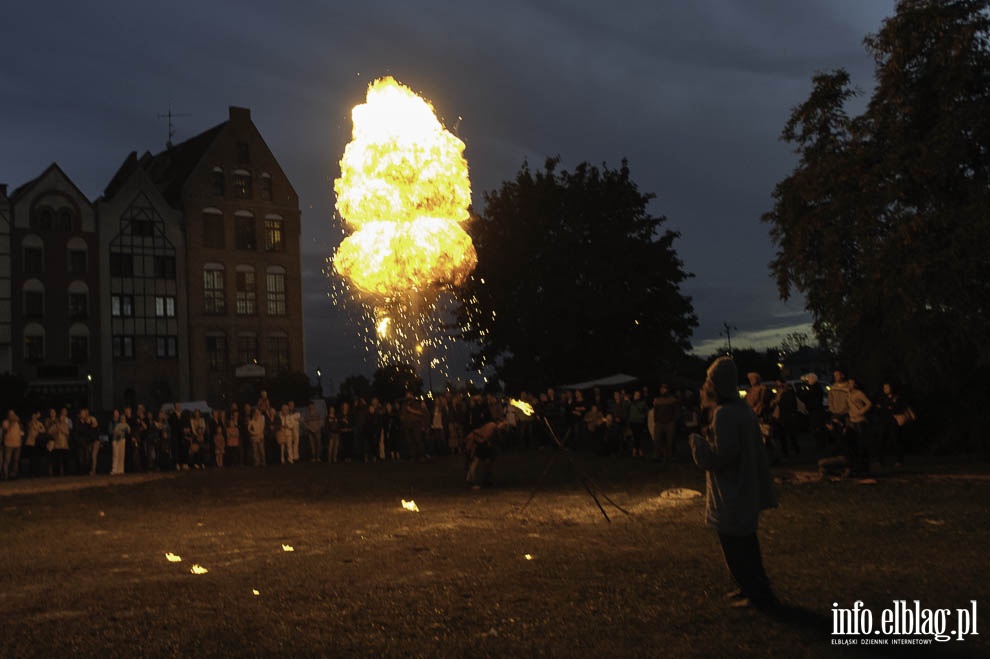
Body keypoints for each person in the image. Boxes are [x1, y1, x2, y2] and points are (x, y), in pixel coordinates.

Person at [689, 356, 779, 611]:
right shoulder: (741, 410)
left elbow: (723, 456)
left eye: (709, 380)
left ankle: (755, 593)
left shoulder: (726, 414)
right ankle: (751, 587)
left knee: (736, 547)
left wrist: (698, 445)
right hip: (744, 486)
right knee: (746, 543)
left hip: (732, 490)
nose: (705, 385)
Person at [464, 420, 502, 488]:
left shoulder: (494, 428)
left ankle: (484, 480)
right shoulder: (492, 426)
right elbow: (485, 438)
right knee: (475, 463)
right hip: (476, 442)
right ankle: (471, 482)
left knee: (486, 462)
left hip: (480, 443)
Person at [2, 411, 23, 480]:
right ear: (8, 415)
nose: (13, 416)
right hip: (8, 444)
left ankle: (13, 476)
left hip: (17, 444)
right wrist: (11, 423)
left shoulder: (17, 423)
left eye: (13, 414)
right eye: (11, 414)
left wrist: (18, 422)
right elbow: (5, 431)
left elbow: (21, 432)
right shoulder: (5, 422)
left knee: (15, 461)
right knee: (7, 460)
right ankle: (5, 476)